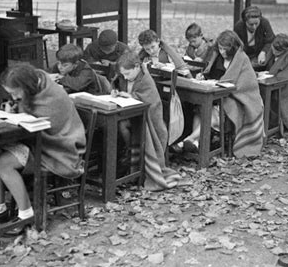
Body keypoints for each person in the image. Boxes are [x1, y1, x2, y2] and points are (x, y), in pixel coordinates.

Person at [0, 64, 86, 235]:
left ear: (26, 86)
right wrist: (14, 108)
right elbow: (28, 112)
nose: (13, 96)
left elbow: (40, 126)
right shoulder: (35, 87)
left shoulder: (53, 96)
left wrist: (15, 115)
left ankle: (26, 215)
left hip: (59, 149)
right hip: (37, 143)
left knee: (3, 164)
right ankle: (0, 209)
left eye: (15, 93)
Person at [181, 30, 264, 158]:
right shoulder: (217, 56)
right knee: (198, 109)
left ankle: (189, 140)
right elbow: (212, 74)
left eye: (225, 49)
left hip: (236, 100)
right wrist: (203, 76)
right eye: (220, 48)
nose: (222, 52)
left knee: (211, 113)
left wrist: (220, 85)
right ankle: (196, 142)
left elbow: (247, 85)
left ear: (233, 48)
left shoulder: (242, 59)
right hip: (217, 95)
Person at [113, 51, 181, 191]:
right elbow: (116, 83)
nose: (125, 77)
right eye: (123, 74)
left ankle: (131, 157)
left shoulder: (146, 80)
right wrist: (115, 90)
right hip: (130, 115)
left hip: (149, 122)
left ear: (137, 67)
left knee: (123, 127)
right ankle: (128, 159)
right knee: (119, 126)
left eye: (127, 74)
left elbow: (149, 102)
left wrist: (131, 96)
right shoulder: (124, 76)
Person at [233, 6, 275, 71]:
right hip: (246, 54)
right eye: (251, 24)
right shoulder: (239, 27)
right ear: (245, 22)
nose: (254, 27)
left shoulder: (264, 23)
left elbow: (270, 40)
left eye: (256, 23)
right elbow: (236, 45)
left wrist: (263, 52)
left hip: (261, 53)